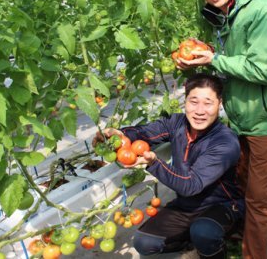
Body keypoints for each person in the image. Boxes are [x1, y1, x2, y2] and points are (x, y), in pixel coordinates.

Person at [178, 0, 267, 259]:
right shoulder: (224, 13)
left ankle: (254, 253)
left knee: (258, 200)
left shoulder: (261, 12)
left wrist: (215, 59)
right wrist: (197, 62)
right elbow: (230, 63)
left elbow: (263, 69)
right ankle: (243, 236)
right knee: (242, 184)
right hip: (243, 118)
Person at [93, 73, 244, 258]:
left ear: (219, 104)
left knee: (204, 232)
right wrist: (119, 135)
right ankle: (193, 242)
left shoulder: (225, 142)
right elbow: (144, 133)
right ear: (185, 101)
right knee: (144, 242)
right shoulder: (176, 123)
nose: (199, 110)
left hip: (221, 204)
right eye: (193, 101)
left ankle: (214, 246)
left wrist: (154, 163)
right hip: (186, 205)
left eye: (208, 103)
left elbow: (191, 185)